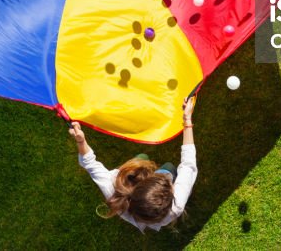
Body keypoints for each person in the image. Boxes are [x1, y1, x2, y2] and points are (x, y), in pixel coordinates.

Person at [70, 97, 196, 232]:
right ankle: (161, 168)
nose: (173, 186)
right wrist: (187, 119)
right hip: (137, 179)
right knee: (169, 168)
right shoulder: (176, 205)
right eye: (171, 185)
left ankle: (142, 161)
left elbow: (89, 163)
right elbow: (188, 165)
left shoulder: (113, 189)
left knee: (142, 158)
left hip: (129, 176)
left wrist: (81, 141)